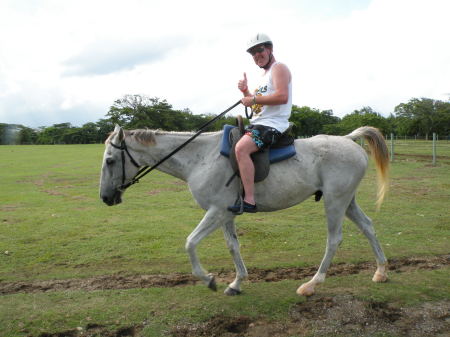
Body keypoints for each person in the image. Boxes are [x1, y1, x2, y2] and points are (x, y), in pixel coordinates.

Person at [228, 33, 292, 214]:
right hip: (260, 122)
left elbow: (282, 96)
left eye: (260, 50)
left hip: (273, 125)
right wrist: (246, 91)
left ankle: (249, 200)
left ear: (270, 49)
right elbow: (257, 105)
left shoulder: (279, 68)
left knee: (241, 148)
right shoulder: (263, 75)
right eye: (253, 53)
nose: (257, 55)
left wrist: (253, 97)